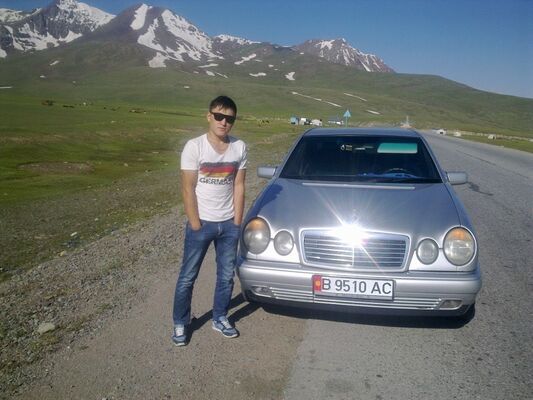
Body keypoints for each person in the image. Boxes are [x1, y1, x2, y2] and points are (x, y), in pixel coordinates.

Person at [172, 95, 247, 346]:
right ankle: (181, 322)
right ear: (209, 116)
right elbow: (187, 188)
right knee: (187, 277)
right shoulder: (195, 147)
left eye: (229, 119)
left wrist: (237, 221)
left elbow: (239, 184)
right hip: (202, 223)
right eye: (219, 116)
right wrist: (195, 223)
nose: (223, 122)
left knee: (226, 276)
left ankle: (220, 317)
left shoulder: (239, 147)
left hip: (229, 224)